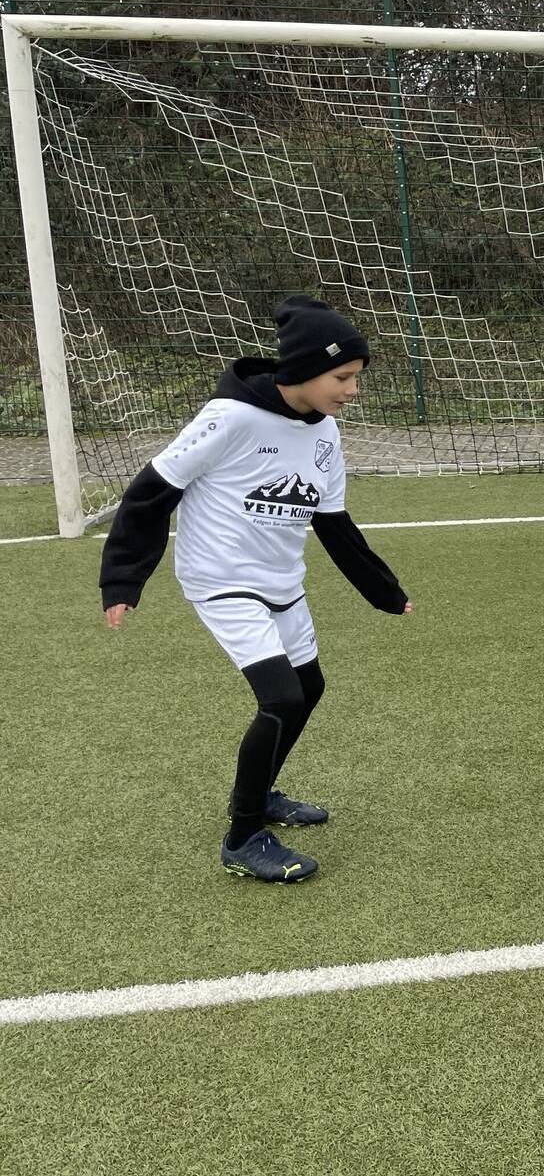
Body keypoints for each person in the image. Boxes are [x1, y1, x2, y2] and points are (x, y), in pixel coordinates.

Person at [100, 295, 412, 883]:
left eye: (356, 378)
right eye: (342, 377)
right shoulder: (230, 418)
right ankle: (244, 835)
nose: (352, 391)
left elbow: (333, 522)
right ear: (301, 370)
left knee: (309, 685)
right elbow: (150, 491)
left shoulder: (325, 435)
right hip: (221, 581)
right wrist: (123, 578)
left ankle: (263, 791)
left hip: (281, 583)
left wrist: (383, 590)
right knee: (282, 697)